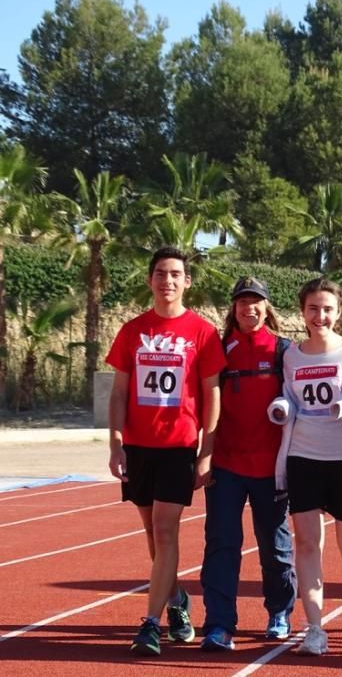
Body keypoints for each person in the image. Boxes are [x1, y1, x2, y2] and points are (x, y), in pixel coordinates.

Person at [106, 246, 226, 656]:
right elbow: (119, 392)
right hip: (139, 447)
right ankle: (176, 600)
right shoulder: (132, 330)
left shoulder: (202, 332)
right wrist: (115, 443)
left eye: (175, 274)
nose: (168, 281)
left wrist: (205, 452)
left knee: (164, 529)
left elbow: (212, 395)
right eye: (160, 273)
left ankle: (150, 623)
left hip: (178, 446)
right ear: (150, 280)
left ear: (186, 282)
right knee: (152, 535)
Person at [270, 278, 342, 656]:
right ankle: (314, 626)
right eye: (313, 309)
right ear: (302, 311)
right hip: (304, 459)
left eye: (327, 309)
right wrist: (283, 408)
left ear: (339, 312)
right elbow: (289, 397)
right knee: (306, 543)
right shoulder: (291, 356)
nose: (320, 316)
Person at [199, 277, 297, 651]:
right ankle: (219, 624)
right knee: (221, 545)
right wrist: (203, 456)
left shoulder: (284, 351)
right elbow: (203, 404)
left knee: (275, 546)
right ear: (233, 308)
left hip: (272, 468)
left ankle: (280, 612)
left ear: (267, 308)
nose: (249, 308)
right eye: (242, 301)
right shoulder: (219, 349)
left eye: (256, 301)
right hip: (225, 466)